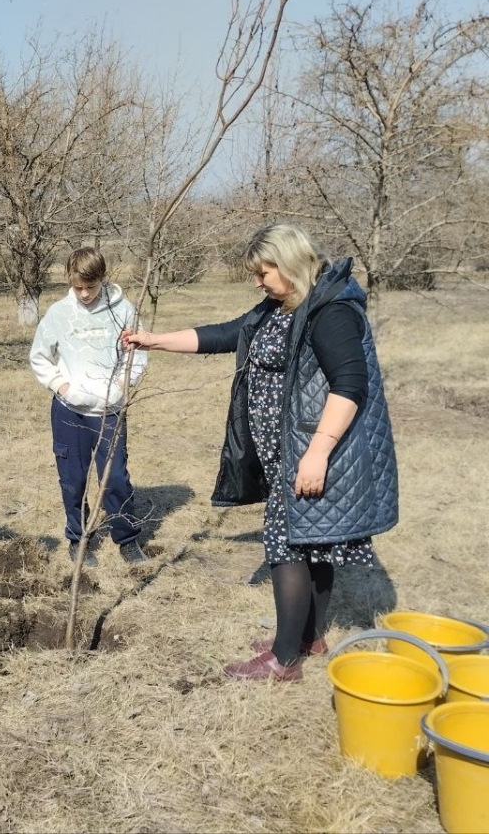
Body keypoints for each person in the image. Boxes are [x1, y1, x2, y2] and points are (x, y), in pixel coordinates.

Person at [122, 224, 397, 682]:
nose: (257, 281)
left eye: (263, 271)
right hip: (290, 450)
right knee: (313, 541)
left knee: (286, 544)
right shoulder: (284, 305)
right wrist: (154, 339)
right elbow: (229, 334)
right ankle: (306, 638)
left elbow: (349, 388)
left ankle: (284, 659)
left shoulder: (331, 312)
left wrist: (317, 453)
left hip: (311, 450)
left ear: (289, 264)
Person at [30, 247, 149, 566]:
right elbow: (39, 356)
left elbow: (137, 353)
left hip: (110, 411)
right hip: (70, 412)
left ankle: (127, 539)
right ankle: (78, 538)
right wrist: (63, 387)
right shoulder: (58, 313)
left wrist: (124, 385)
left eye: (91, 287)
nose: (84, 294)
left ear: (102, 279)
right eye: (77, 287)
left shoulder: (122, 310)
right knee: (73, 479)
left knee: (115, 479)